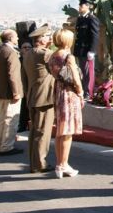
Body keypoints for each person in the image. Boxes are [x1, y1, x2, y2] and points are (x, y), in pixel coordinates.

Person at [49, 29, 84, 178]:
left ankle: (59, 163)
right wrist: (81, 92)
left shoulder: (53, 56)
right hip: (69, 94)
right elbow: (75, 78)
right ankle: (64, 164)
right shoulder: (68, 57)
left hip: (58, 92)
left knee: (60, 131)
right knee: (67, 132)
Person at [22, 25, 55, 173]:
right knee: (43, 132)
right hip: (44, 97)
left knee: (34, 131)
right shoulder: (46, 54)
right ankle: (40, 163)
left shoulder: (28, 53)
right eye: (47, 36)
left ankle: (33, 162)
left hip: (32, 96)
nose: (50, 38)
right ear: (41, 39)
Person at [0, 29, 24, 155]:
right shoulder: (11, 52)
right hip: (10, 93)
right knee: (10, 120)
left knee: (2, 120)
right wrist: (16, 92)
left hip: (0, 92)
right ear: (10, 38)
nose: (18, 39)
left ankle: (2, 145)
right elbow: (13, 74)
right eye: (16, 37)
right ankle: (7, 147)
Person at [74, 0, 100, 100]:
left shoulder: (92, 19)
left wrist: (92, 50)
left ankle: (88, 92)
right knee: (82, 72)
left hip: (87, 50)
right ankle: (84, 90)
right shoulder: (80, 19)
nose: (79, 7)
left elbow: (95, 35)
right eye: (79, 5)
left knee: (88, 73)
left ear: (88, 6)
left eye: (81, 5)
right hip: (80, 50)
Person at [18, 41, 33, 132]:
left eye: (29, 47)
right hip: (21, 86)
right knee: (22, 107)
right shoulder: (18, 60)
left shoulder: (33, 59)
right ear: (21, 50)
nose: (27, 49)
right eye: (25, 47)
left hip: (31, 86)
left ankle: (29, 124)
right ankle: (22, 125)